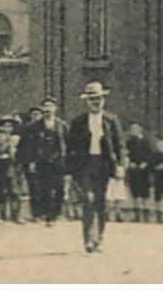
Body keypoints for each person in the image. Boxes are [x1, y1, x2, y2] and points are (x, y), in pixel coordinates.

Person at [65, 81, 126, 253]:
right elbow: (71, 148)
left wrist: (121, 165)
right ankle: (88, 240)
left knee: (100, 203)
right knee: (88, 200)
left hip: (104, 165)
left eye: (98, 98)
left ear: (103, 100)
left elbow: (119, 144)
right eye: (92, 99)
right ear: (87, 102)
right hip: (85, 165)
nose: (96, 102)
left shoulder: (111, 120)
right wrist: (69, 172)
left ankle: (98, 238)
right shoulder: (78, 122)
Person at [23, 97, 68, 225]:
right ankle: (45, 214)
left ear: (55, 108)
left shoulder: (62, 125)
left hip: (58, 161)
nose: (48, 109)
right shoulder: (34, 126)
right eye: (45, 106)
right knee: (43, 187)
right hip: (41, 160)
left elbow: (67, 143)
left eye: (50, 106)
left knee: (59, 188)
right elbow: (30, 146)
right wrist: (31, 161)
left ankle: (56, 213)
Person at [0, 116, 23, 223]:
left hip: (11, 172)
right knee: (0, 193)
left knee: (15, 193)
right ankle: (2, 215)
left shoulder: (12, 145)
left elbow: (15, 158)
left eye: (2, 135)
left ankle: (16, 215)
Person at [124, 121, 155, 223]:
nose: (133, 131)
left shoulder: (146, 142)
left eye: (135, 129)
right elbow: (126, 155)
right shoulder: (129, 143)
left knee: (144, 191)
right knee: (135, 190)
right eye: (132, 129)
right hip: (133, 169)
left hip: (143, 169)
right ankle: (137, 214)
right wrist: (130, 163)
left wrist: (145, 163)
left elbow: (150, 155)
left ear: (140, 130)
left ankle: (145, 213)